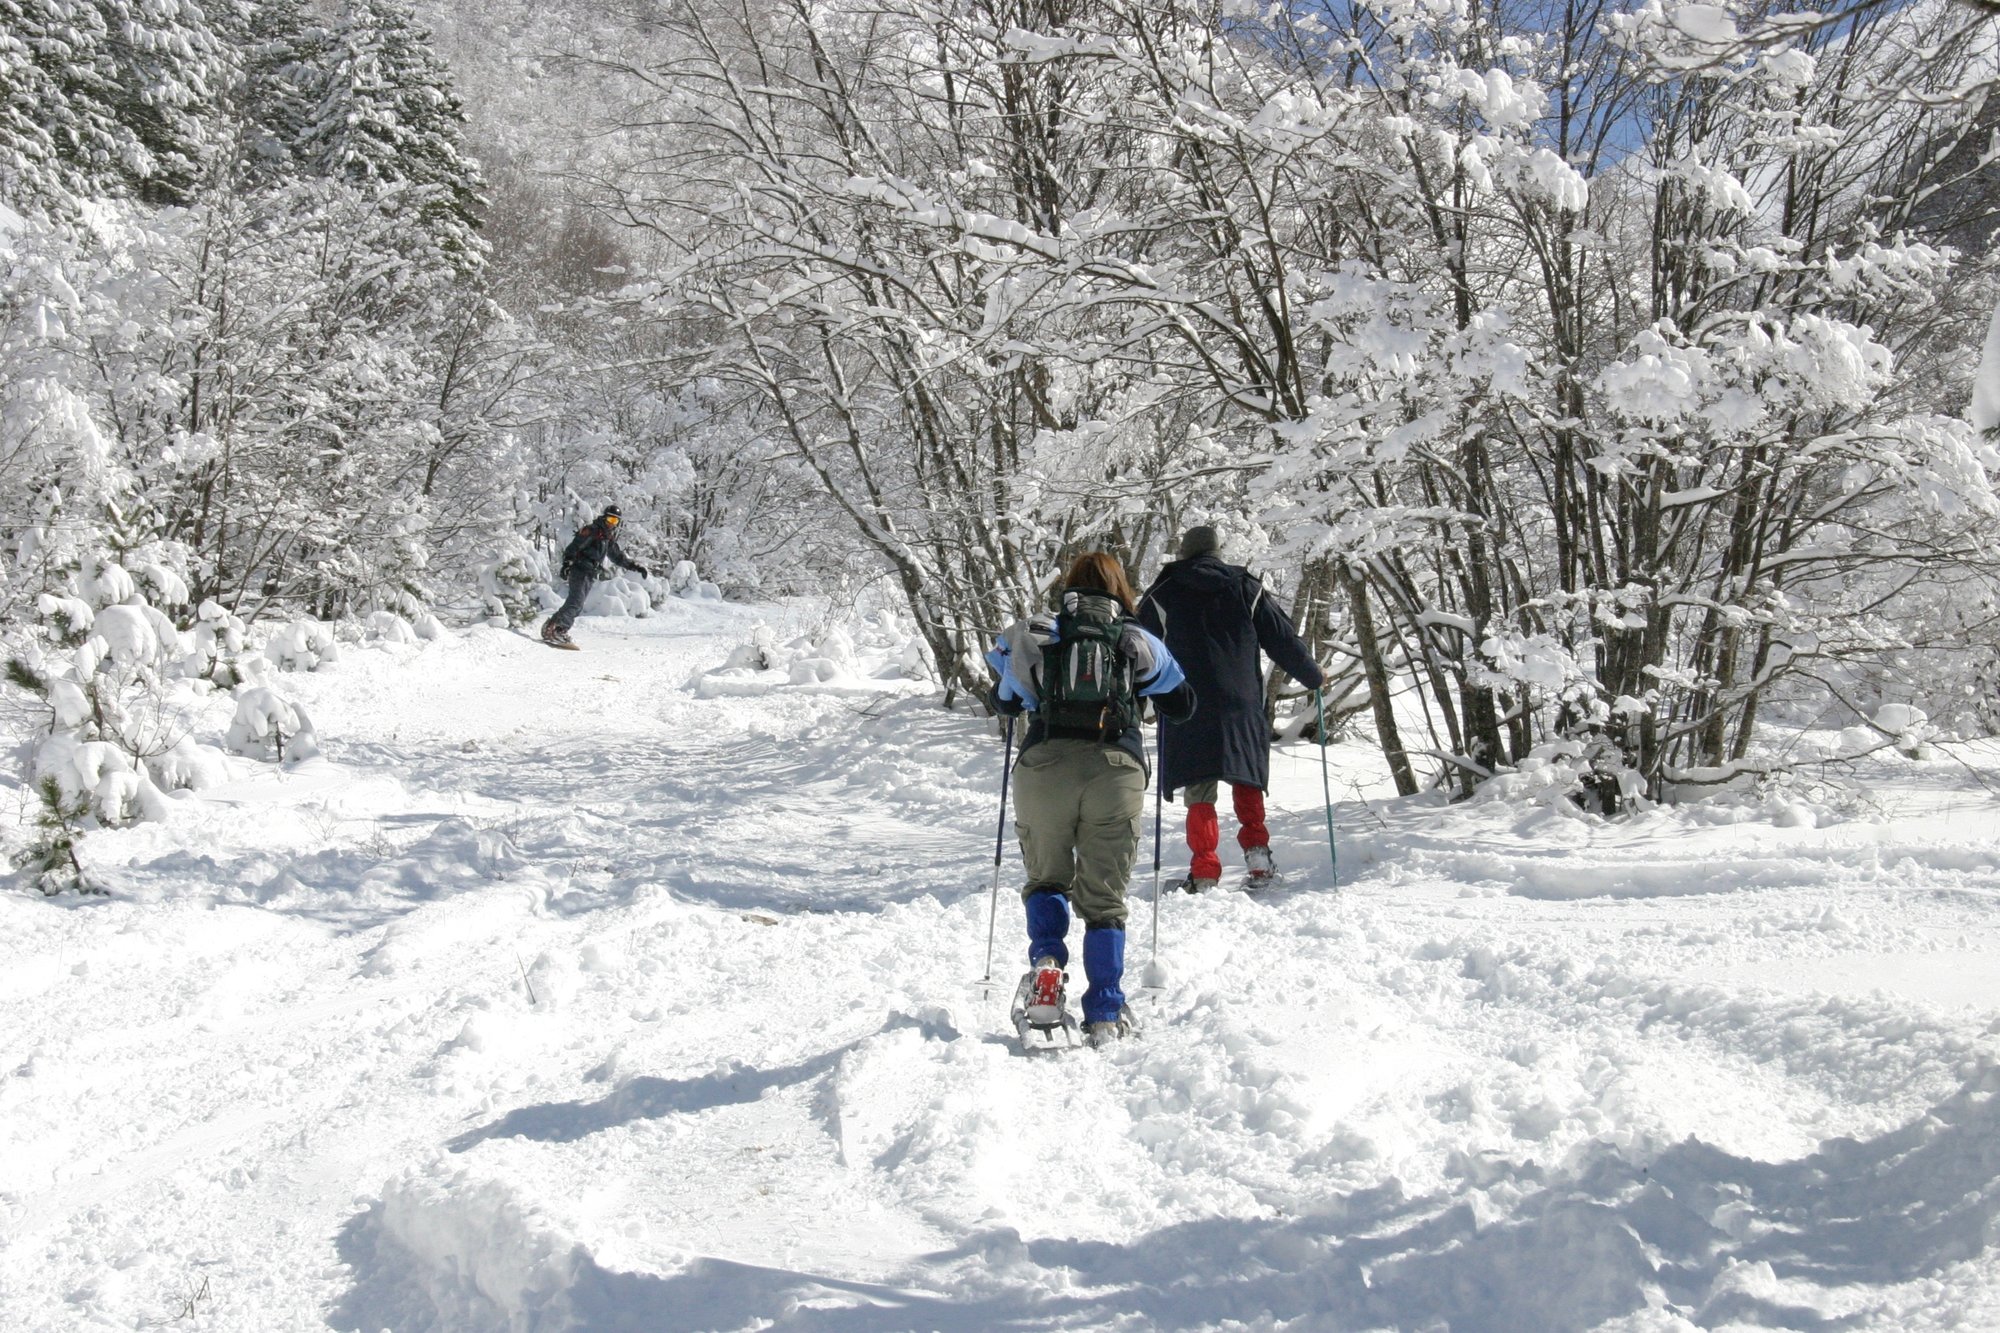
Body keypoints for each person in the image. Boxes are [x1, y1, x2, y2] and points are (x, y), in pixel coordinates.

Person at [988, 552, 1196, 1046]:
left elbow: (1003, 700)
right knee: (1104, 899)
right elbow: (1183, 705)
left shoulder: (1033, 634)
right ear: (1120, 589)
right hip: (1114, 771)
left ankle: (1046, 967)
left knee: (1047, 878)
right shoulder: (1138, 639)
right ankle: (1104, 1012)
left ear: (1067, 589)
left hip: (1044, 769)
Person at [1138, 526, 1324, 891]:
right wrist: (1313, 675)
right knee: (1246, 776)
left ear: (1183, 553)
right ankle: (1258, 860)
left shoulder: (1163, 592)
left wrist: (1129, 697)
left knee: (1199, 787)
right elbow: (1281, 638)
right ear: (1218, 552)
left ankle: (1205, 872)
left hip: (1188, 702)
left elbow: (1137, 645)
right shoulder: (1245, 587)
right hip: (1241, 701)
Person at [541, 505, 650, 647]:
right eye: (610, 519)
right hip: (579, 569)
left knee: (576, 603)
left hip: (590, 573)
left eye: (615, 521)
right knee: (576, 602)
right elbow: (574, 547)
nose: (612, 523)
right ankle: (559, 630)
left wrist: (635, 566)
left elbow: (617, 557)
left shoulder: (607, 538)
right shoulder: (592, 531)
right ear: (604, 517)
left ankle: (551, 626)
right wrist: (567, 564)